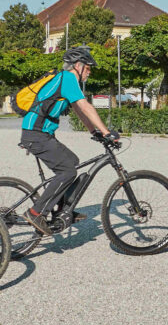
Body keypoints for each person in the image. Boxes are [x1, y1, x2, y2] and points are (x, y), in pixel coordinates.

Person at [19, 45, 118, 234]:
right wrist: (106, 132)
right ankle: (35, 212)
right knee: (67, 172)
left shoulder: (65, 80)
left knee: (72, 162)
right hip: (36, 133)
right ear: (78, 66)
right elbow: (86, 106)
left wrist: (93, 131)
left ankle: (61, 211)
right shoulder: (68, 78)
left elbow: (79, 111)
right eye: (88, 68)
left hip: (41, 133)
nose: (89, 73)